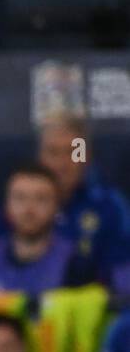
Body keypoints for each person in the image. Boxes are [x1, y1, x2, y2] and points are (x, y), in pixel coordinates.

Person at [37, 114, 130, 289]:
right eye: (53, 152)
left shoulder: (110, 206)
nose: (62, 163)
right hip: (24, 306)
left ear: (86, 156)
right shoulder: (21, 200)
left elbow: (124, 277)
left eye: (73, 153)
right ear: (40, 157)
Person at [0, 165, 89, 296]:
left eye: (41, 199)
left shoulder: (75, 262)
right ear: (6, 206)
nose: (29, 209)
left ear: (57, 207)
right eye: (20, 198)